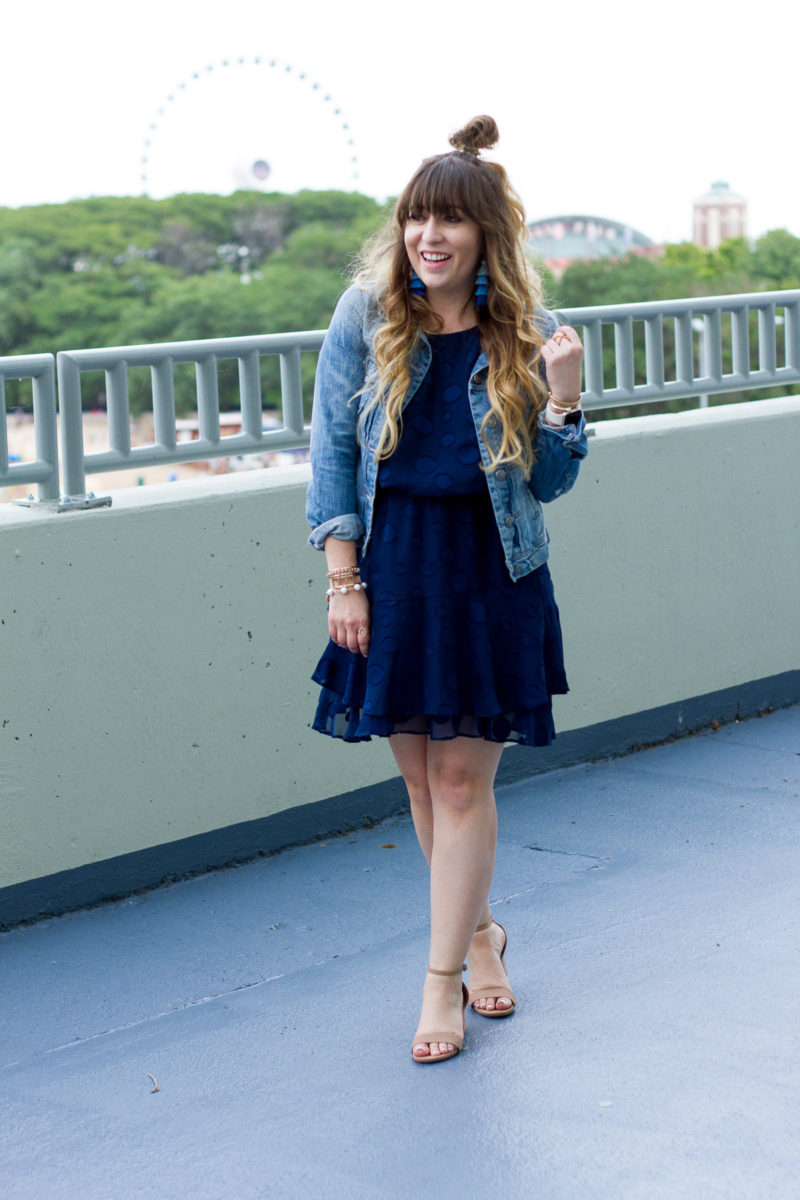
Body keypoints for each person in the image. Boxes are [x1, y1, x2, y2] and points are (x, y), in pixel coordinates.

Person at [306, 116, 587, 1063]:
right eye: (416, 218)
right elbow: (333, 454)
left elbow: (548, 484)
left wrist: (563, 402)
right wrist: (341, 579)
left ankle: (440, 988)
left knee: (464, 781)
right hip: (393, 571)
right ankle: (477, 936)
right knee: (425, 786)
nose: (429, 237)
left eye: (450, 222)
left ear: (484, 237)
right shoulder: (366, 316)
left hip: (490, 570)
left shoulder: (530, 331)